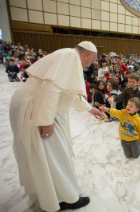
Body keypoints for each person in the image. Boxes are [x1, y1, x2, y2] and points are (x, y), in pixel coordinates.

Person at [9, 41, 102, 211]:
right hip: (37, 109)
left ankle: (56, 196)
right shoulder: (69, 57)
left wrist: (89, 109)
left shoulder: (67, 55)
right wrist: (46, 121)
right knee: (55, 155)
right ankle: (65, 198)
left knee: (49, 156)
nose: (90, 66)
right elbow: (50, 89)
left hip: (34, 105)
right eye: (91, 61)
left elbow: (68, 91)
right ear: (86, 54)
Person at [109, 73, 140, 147]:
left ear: (137, 82)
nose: (131, 83)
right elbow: (120, 97)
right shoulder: (126, 90)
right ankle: (132, 138)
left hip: (138, 112)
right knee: (129, 126)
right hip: (127, 112)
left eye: (133, 82)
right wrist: (113, 99)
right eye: (129, 81)